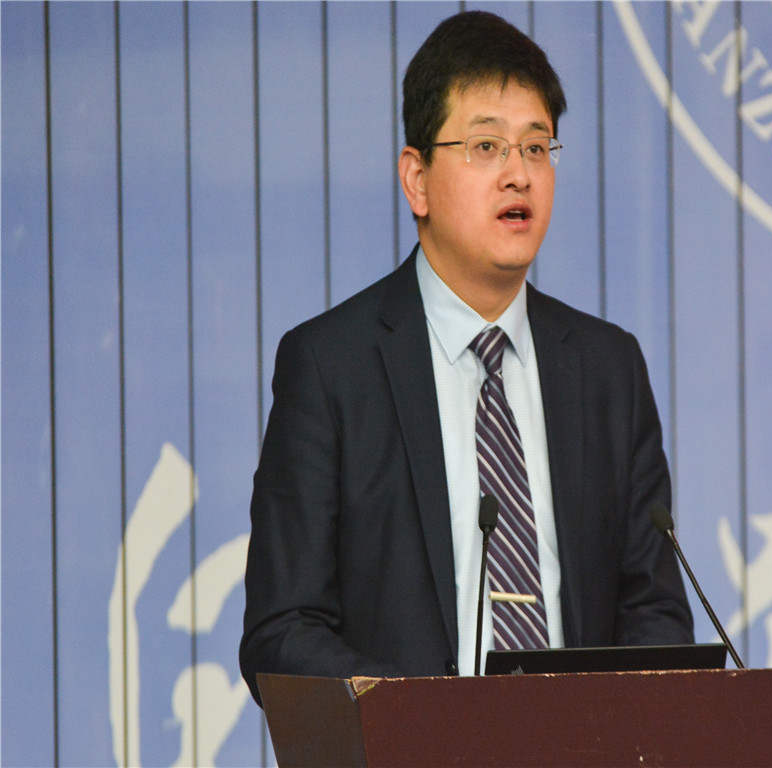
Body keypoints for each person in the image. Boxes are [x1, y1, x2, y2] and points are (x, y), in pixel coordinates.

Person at [240, 9, 693, 706]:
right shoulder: (331, 367)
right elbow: (283, 630)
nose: (519, 175)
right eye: (486, 146)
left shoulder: (609, 369)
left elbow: (654, 612)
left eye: (536, 148)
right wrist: (433, 723)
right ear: (416, 179)